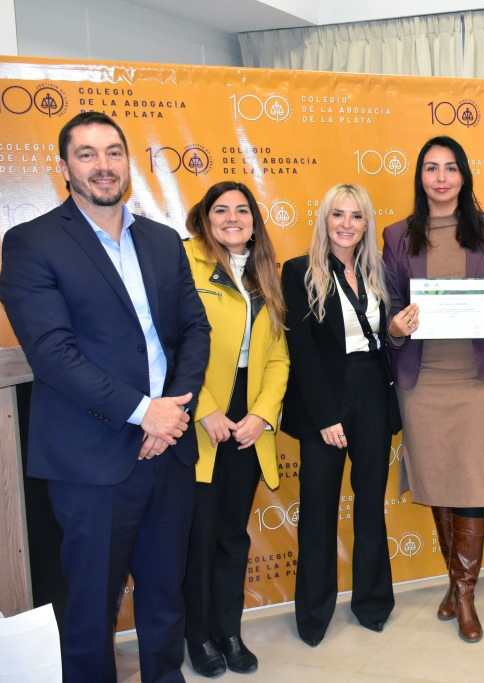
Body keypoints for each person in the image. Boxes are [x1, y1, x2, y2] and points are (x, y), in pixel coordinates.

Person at [0, 111, 210, 682]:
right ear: (63, 167)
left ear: (127, 164)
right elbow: (54, 355)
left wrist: (171, 414)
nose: (103, 165)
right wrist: (147, 414)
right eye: (87, 154)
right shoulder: (32, 243)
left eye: (113, 152)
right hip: (90, 457)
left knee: (166, 596)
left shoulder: (164, 242)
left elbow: (195, 331)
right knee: (91, 609)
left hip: (169, 449)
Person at [383, 136, 484, 642]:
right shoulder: (397, 236)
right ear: (420, 178)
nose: (441, 177)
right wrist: (395, 327)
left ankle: (464, 593)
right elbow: (391, 304)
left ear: (464, 175)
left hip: (480, 379)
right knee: (440, 475)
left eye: (450, 168)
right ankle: (457, 582)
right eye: (430, 168)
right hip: (424, 379)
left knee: (474, 476)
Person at [281, 184, 401, 646]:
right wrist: (325, 416)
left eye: (355, 216)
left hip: (372, 390)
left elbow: (385, 338)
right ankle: (313, 616)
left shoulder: (378, 272)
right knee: (318, 511)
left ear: (367, 223)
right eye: (337, 215)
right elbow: (303, 352)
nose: (346, 224)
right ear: (324, 220)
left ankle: (372, 603)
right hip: (324, 400)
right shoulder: (299, 271)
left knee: (371, 504)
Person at [181, 181, 289, 676]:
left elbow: (279, 358)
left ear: (254, 220)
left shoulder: (267, 273)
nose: (231, 218)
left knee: (231, 534)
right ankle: (198, 637)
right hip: (196, 410)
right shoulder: (184, 263)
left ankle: (229, 631)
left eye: (241, 210)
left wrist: (262, 415)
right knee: (198, 534)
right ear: (204, 218)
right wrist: (205, 410)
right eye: (220, 210)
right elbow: (170, 344)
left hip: (249, 414)